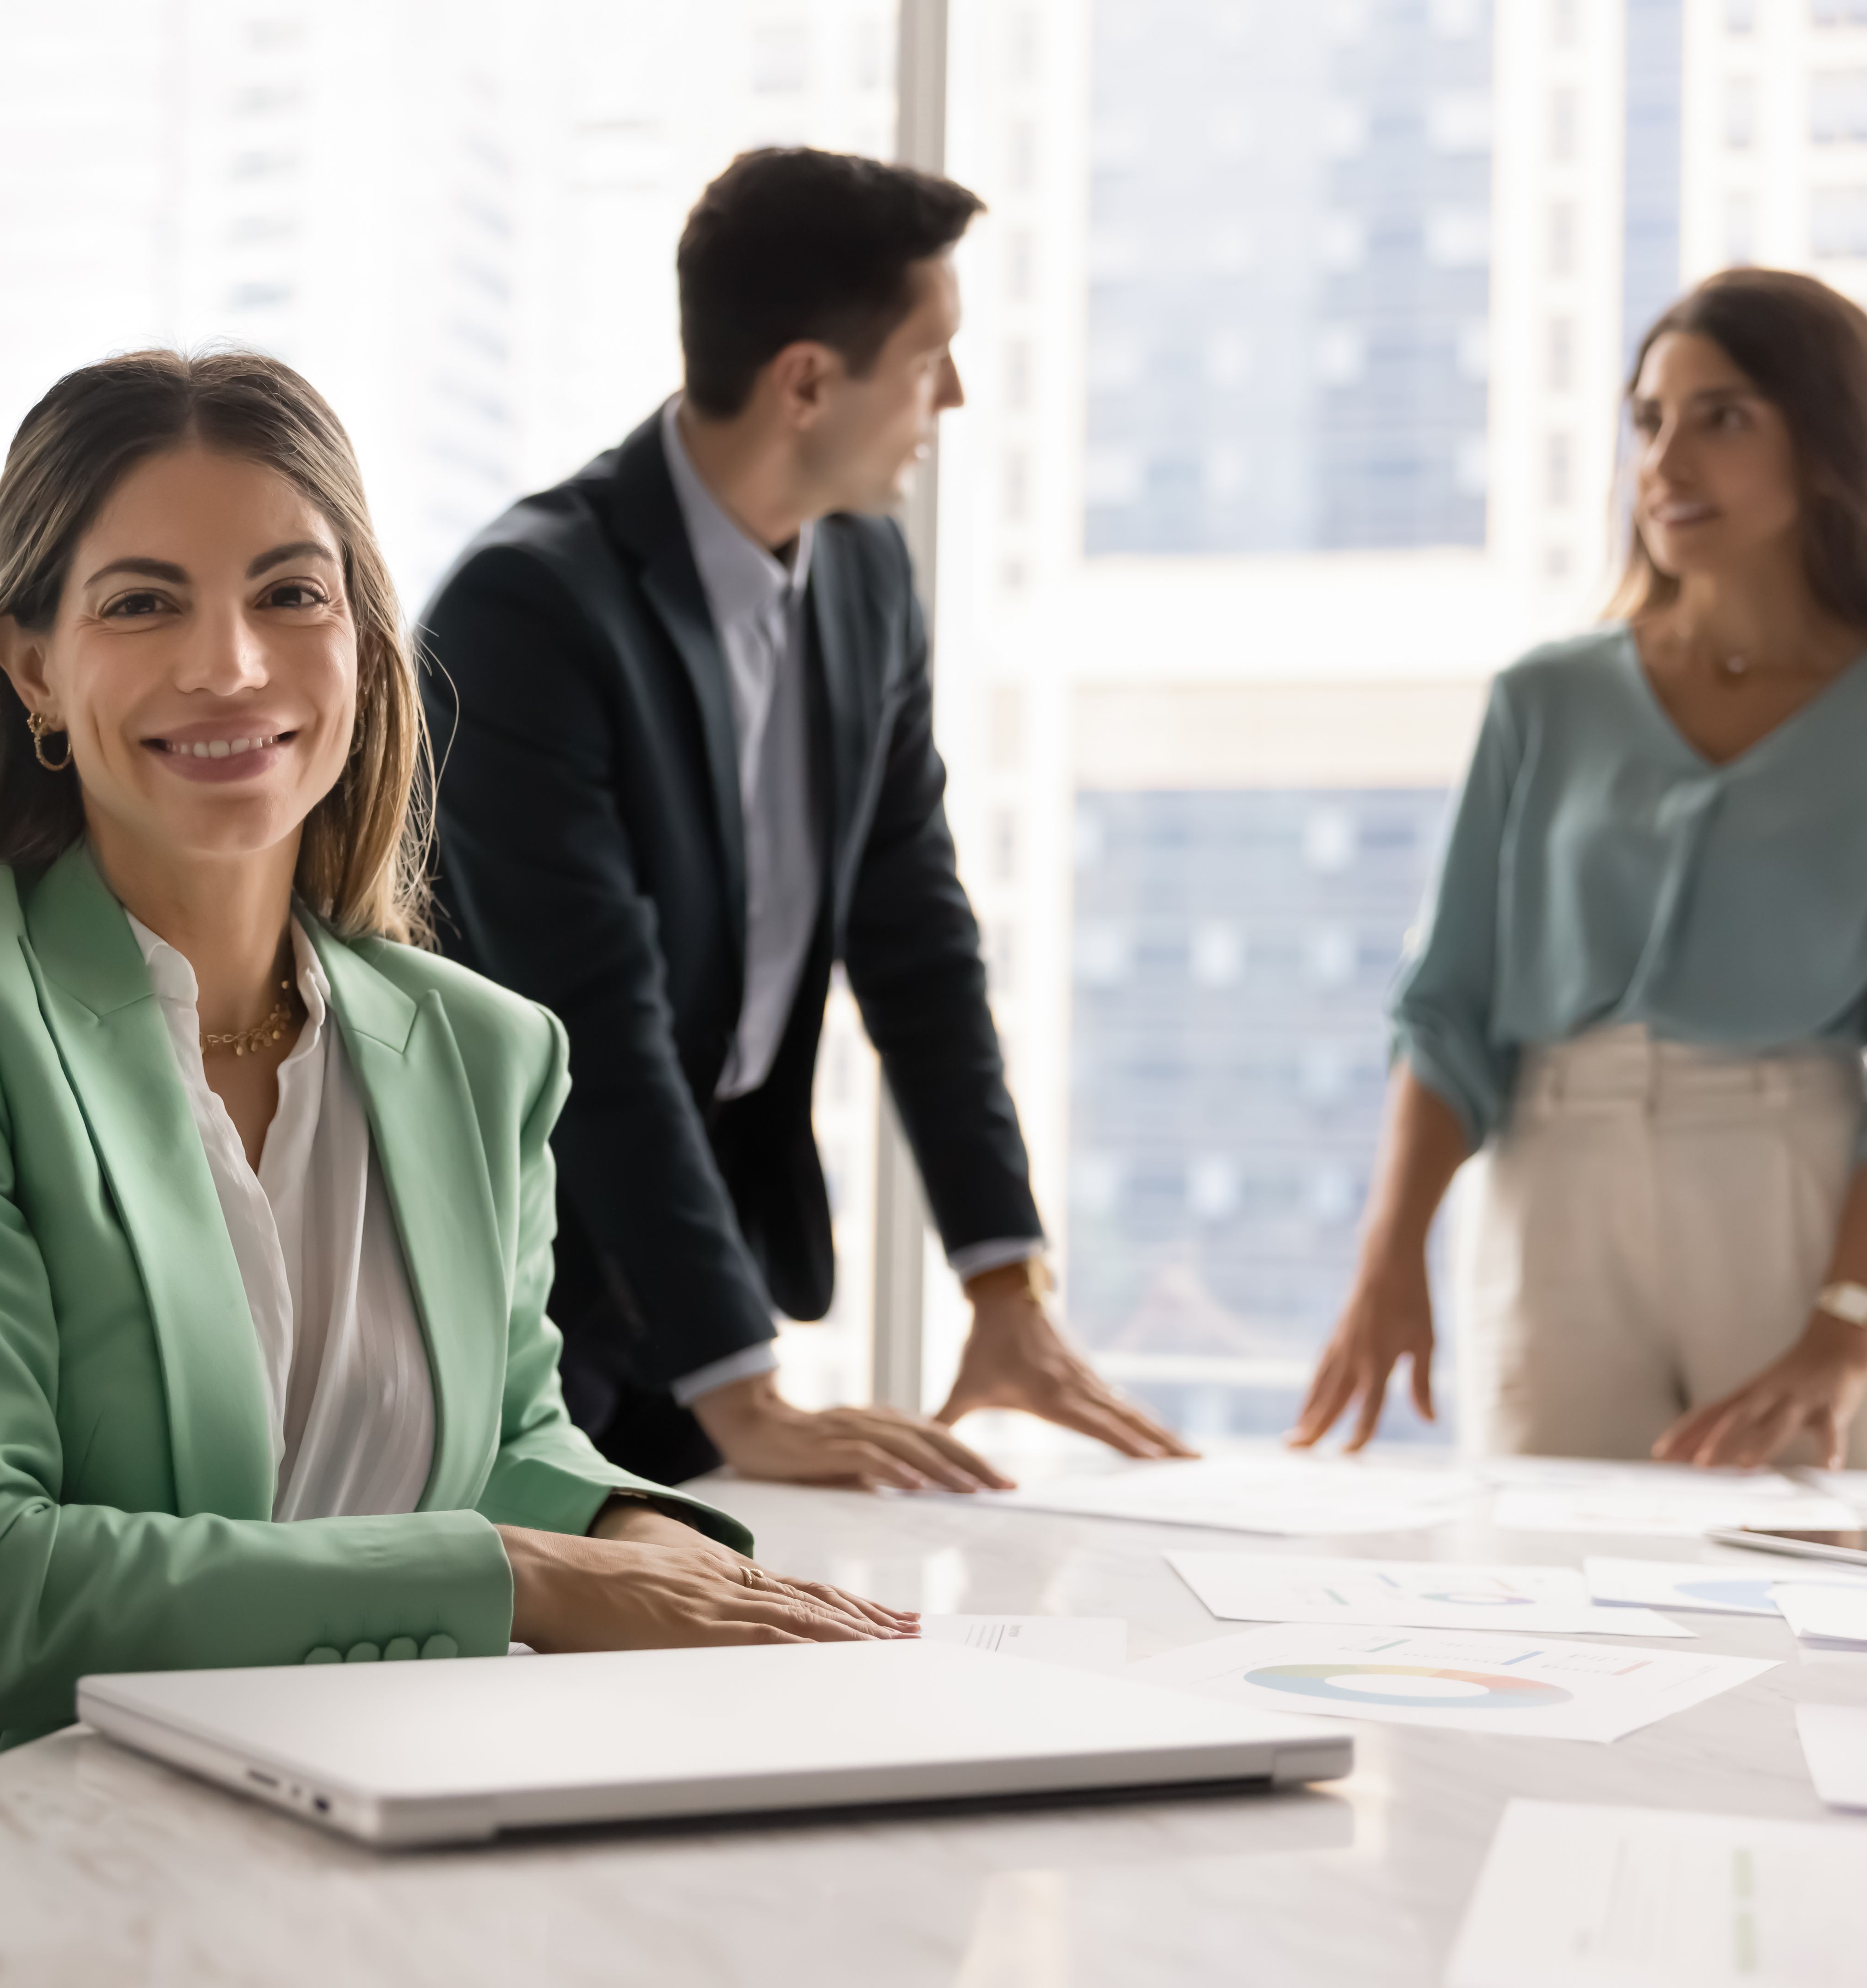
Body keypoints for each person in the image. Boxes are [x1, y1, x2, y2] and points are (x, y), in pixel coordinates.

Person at [0, 350, 910, 1873]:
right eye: (140, 603)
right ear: (32, 669)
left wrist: (626, 1537)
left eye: (290, 596)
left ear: (367, 648)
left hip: (310, 1863)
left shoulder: (481, 1048)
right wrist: (516, 1581)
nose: (233, 667)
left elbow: (507, 1440)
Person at [418, 148, 1188, 1491]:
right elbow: (596, 1025)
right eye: (931, 356)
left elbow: (917, 935)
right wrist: (752, 1392)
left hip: (702, 1243)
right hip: (512, 1260)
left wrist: (1003, 1280)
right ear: (809, 382)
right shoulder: (526, 612)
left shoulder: (867, 573)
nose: (952, 395)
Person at [1292, 267, 1867, 1467]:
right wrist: (1392, 1259)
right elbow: (1445, 1001)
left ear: (1826, 442)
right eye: (1649, 420)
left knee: (1796, 1596)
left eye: (1723, 418)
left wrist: (1846, 1322)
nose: (1664, 461)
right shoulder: (1546, 699)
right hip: (1551, 1181)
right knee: (1532, 1578)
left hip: (1793, 1192)